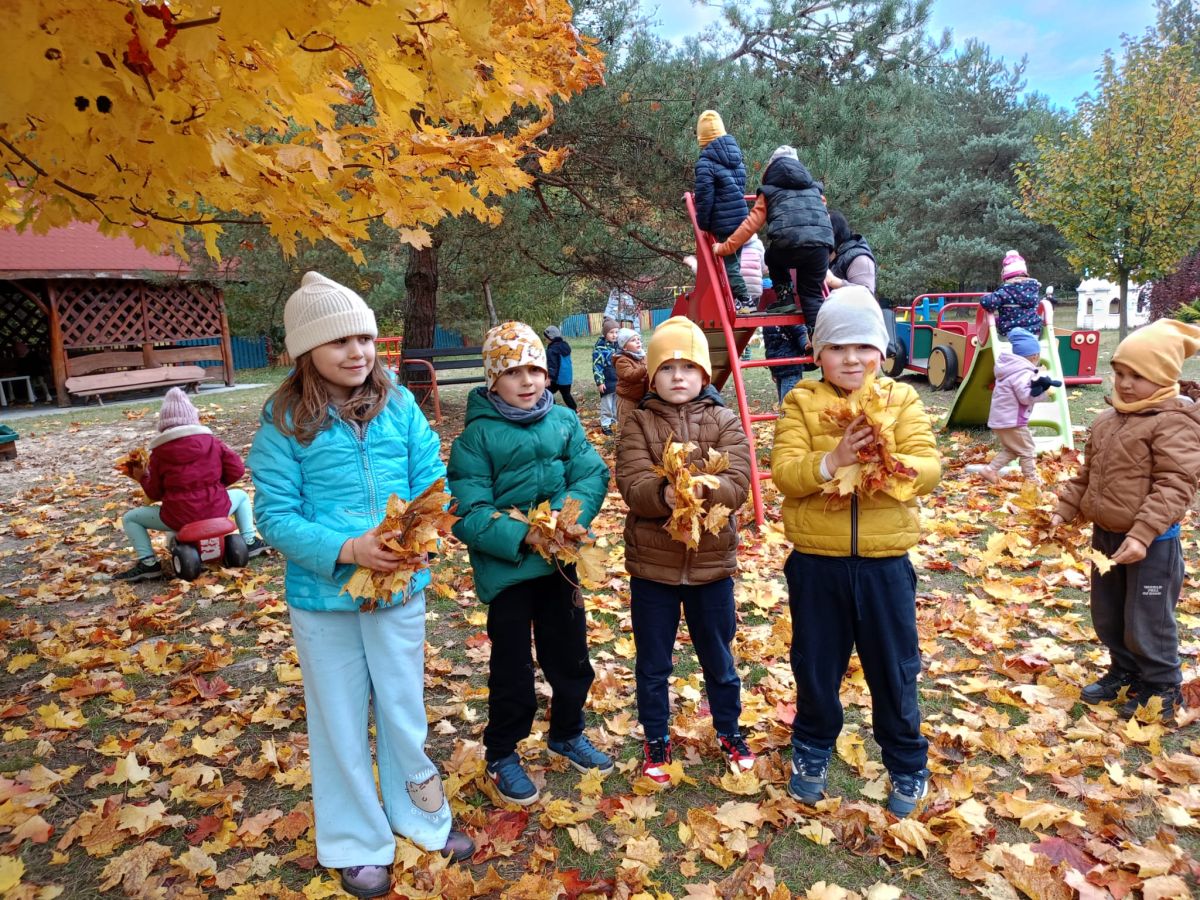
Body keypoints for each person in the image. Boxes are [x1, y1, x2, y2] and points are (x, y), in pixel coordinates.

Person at [248, 272, 473, 898]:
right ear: (306, 350)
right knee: (339, 718)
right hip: (324, 601)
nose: (357, 352)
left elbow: (429, 477)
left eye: (366, 338)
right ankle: (355, 839)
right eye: (340, 341)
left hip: (399, 589)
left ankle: (422, 817)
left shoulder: (398, 404)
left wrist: (420, 529)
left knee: (403, 708)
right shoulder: (284, 421)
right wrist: (348, 550)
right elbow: (274, 516)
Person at [770, 286, 942, 818]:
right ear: (817, 353)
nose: (851, 358)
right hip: (816, 565)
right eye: (837, 347)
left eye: (863, 346)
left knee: (894, 668)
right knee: (815, 664)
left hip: (885, 565)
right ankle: (812, 748)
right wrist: (834, 459)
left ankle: (907, 762)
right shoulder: (801, 401)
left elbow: (929, 466)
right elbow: (786, 473)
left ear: (882, 352)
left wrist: (890, 465)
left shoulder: (901, 400)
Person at [448, 321, 613, 807]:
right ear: (492, 379)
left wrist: (566, 517)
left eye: (535, 370)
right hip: (510, 572)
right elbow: (468, 510)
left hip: (560, 564)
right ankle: (502, 752)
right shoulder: (476, 437)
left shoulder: (563, 421)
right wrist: (524, 533)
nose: (527, 381)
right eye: (513, 372)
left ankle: (567, 732)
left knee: (571, 657)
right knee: (513, 668)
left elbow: (590, 474)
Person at [616, 316, 755, 784]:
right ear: (652, 376)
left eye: (689, 366)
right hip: (653, 569)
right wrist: (665, 494)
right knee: (653, 661)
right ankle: (656, 736)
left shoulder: (724, 420)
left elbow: (738, 481)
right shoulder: (638, 422)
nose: (679, 376)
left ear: (704, 374)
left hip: (711, 567)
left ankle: (729, 729)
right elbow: (632, 483)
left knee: (719, 656)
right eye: (668, 367)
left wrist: (705, 490)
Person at [1050, 319, 1200, 722]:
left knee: (1147, 619)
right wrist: (1066, 508)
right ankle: (1126, 671)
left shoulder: (1175, 423)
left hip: (1152, 544)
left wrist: (1144, 533)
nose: (1126, 384)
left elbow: (1176, 484)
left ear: (1165, 378)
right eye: (1120, 373)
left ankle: (1162, 685)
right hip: (1107, 537)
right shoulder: (1107, 420)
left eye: (1138, 376)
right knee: (1109, 611)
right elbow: (1088, 475)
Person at [117, 387, 267, 582]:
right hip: (217, 507)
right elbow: (237, 470)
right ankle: (249, 540)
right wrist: (216, 486)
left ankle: (148, 563)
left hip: (179, 516)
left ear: (164, 424)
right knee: (242, 496)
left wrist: (142, 477)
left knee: (131, 518)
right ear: (194, 418)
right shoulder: (213, 442)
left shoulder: (159, 454)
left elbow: (155, 493)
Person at [713, 146, 833, 329]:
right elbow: (825, 217)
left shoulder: (769, 192)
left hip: (788, 247)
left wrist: (725, 247)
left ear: (771, 168)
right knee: (812, 296)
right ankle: (818, 339)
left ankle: (785, 298)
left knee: (771, 256)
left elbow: (750, 225)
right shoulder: (815, 190)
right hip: (821, 247)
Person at [965, 327, 1059, 485]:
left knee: (1013, 449)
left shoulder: (1010, 369)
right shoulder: (1022, 373)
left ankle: (990, 470)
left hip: (1001, 420)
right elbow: (1025, 397)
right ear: (1035, 356)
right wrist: (1044, 394)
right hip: (1012, 421)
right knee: (1027, 449)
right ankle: (1031, 479)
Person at [693, 110, 752, 313]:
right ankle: (738, 300)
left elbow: (704, 197)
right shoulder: (737, 160)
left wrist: (703, 223)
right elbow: (740, 188)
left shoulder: (705, 164)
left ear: (702, 139)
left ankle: (745, 300)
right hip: (741, 220)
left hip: (723, 222)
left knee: (728, 265)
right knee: (734, 262)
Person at [980, 250, 1044, 336]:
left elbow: (987, 302)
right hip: (1034, 331)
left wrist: (985, 297)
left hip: (1011, 332)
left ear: (1007, 278)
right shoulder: (1033, 290)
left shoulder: (1006, 291)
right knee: (999, 320)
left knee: (995, 325)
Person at [824, 209, 877, 295]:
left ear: (835, 231)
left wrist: (833, 281)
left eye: (824, 231)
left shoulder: (860, 258)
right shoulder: (829, 256)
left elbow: (866, 295)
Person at [763, 324, 809, 403]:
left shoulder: (786, 319)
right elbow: (769, 347)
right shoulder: (767, 324)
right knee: (784, 403)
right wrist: (773, 370)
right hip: (778, 368)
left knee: (788, 403)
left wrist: (806, 345)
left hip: (791, 368)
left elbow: (800, 331)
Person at [614, 328, 648, 431]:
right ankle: (623, 440)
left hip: (641, 398)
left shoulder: (643, 356)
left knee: (640, 426)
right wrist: (645, 368)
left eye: (638, 339)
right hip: (627, 399)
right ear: (624, 347)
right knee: (626, 425)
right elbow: (631, 375)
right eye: (633, 340)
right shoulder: (621, 361)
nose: (638, 342)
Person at [592, 318, 619, 435]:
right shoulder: (599, 349)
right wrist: (600, 382)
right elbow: (597, 366)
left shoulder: (619, 346)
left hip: (618, 380)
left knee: (616, 403)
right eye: (611, 332)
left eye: (616, 332)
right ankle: (606, 424)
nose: (614, 335)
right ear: (605, 333)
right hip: (607, 381)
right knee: (607, 404)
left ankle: (615, 421)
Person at [543, 325, 577, 411]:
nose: (545, 340)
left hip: (557, 378)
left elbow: (552, 365)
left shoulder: (552, 350)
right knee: (566, 394)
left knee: (546, 391)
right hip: (567, 377)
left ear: (550, 337)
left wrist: (549, 378)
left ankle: (553, 409)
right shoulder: (564, 346)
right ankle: (574, 410)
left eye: (546, 338)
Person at [741, 234, 766, 311]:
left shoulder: (730, 243)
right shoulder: (758, 243)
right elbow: (764, 267)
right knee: (752, 312)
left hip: (738, 290)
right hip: (755, 291)